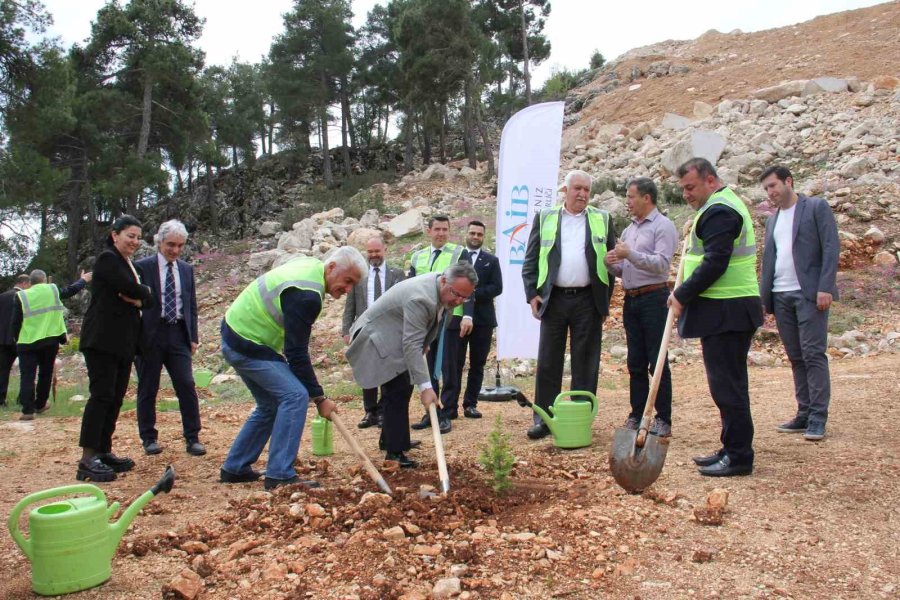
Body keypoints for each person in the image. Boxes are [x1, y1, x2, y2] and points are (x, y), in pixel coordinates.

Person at [219, 248, 365, 490]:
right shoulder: (307, 294)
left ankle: (235, 467)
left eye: (353, 285)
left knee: (270, 404)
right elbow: (296, 354)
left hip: (238, 334)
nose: (348, 289)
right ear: (331, 267)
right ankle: (279, 475)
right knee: (295, 395)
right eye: (347, 280)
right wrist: (319, 398)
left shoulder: (312, 268)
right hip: (247, 342)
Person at [668, 158, 762, 477]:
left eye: (690, 187)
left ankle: (738, 456)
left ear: (710, 181)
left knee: (727, 387)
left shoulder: (721, 210)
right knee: (728, 385)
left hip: (728, 310)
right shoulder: (719, 206)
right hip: (725, 309)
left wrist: (681, 294)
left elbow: (716, 263)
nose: (686, 194)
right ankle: (730, 447)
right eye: (682, 189)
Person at [346, 263, 478, 468]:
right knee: (397, 388)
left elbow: (423, 332)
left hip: (395, 333)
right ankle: (394, 453)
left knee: (403, 386)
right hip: (376, 336)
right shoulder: (421, 298)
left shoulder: (442, 288)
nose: (459, 300)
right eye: (457, 294)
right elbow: (410, 344)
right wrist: (426, 388)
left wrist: (424, 346)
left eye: (465, 297)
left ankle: (392, 439)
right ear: (444, 281)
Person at [521, 169, 617, 440]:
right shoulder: (546, 218)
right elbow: (530, 260)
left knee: (585, 362)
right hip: (554, 299)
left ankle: (580, 418)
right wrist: (532, 294)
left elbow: (612, 263)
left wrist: (603, 302)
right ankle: (544, 419)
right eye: (577, 189)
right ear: (565, 190)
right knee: (549, 361)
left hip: (588, 301)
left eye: (587, 190)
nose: (582, 194)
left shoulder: (602, 218)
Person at [760, 165, 839, 442]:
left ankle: (818, 417)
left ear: (788, 181)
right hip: (781, 295)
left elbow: (831, 247)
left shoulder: (816, 207)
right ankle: (804, 413)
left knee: (813, 354)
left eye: (773, 185)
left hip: (809, 294)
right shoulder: (772, 220)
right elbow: (769, 260)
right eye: (766, 188)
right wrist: (764, 298)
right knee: (795, 356)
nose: (770, 192)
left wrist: (825, 287)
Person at [78, 215, 155, 482]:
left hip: (124, 343)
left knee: (115, 397)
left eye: (137, 237)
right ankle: (88, 458)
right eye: (130, 236)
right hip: (102, 340)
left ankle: (104, 450)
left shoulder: (128, 264)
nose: (134, 241)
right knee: (101, 396)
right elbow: (131, 288)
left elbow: (147, 297)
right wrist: (142, 293)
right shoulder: (108, 260)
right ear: (115, 235)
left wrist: (140, 298)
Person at [604, 178, 678, 437]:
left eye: (631, 196)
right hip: (631, 299)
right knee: (635, 361)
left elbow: (661, 265)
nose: (628, 201)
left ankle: (663, 418)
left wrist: (629, 255)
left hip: (654, 299)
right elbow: (625, 269)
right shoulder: (629, 231)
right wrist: (610, 264)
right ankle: (637, 413)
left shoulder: (663, 226)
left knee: (656, 360)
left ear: (647, 198)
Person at [134, 220, 205, 456]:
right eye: (170, 245)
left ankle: (193, 437)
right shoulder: (142, 267)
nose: (174, 250)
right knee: (148, 387)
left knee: (186, 384)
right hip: (149, 335)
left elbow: (191, 305)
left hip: (178, 333)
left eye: (180, 246)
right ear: (159, 242)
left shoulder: (186, 269)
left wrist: (192, 336)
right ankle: (148, 438)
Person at [408, 215, 473, 435]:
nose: (441, 233)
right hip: (425, 318)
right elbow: (411, 285)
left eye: (445, 229)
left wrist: (467, 316)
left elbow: (469, 285)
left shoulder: (458, 252)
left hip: (451, 316)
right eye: (437, 229)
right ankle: (432, 411)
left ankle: (448, 411)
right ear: (429, 231)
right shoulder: (418, 256)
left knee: (449, 366)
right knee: (428, 366)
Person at [439, 220, 503, 421]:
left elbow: (497, 287)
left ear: (484, 237)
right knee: (454, 364)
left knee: (477, 363)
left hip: (483, 320)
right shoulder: (457, 258)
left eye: (479, 234)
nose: (475, 237)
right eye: (472, 233)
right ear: (466, 234)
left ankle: (471, 404)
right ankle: (450, 406)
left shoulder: (491, 260)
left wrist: (472, 292)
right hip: (457, 318)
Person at [341, 236, 405, 429]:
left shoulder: (397, 274)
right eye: (370, 252)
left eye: (377, 251)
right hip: (365, 330)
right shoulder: (359, 276)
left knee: (387, 371)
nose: (373, 255)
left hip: (389, 330)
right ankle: (370, 412)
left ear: (384, 250)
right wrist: (346, 330)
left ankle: (385, 411)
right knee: (367, 369)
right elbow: (349, 306)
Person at [11, 269, 91, 420]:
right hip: (50, 339)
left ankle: (27, 410)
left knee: (27, 376)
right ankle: (40, 404)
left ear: (30, 282)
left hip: (27, 341)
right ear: (43, 279)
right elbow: (70, 291)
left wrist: (16, 339)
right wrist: (84, 280)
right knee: (45, 373)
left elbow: (15, 322)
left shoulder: (21, 295)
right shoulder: (52, 290)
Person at [0, 274, 31, 406]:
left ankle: (1, 399)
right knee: (26, 370)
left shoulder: (2, 296)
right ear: (24, 283)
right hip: (21, 338)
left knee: (2, 370)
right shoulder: (26, 297)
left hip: (2, 339)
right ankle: (23, 399)